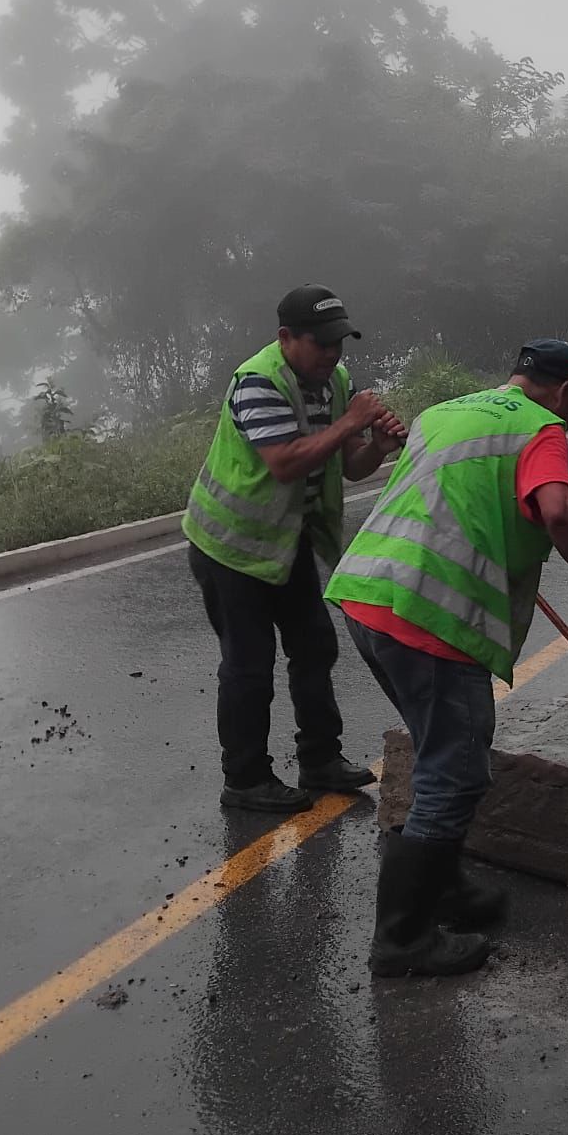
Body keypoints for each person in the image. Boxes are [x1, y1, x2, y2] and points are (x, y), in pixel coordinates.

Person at [326, 338, 568, 978]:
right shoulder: (540, 428)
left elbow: (450, 497)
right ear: (566, 390)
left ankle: (446, 888)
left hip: (367, 596)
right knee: (455, 769)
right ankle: (403, 940)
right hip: (429, 616)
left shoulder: (446, 412)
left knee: (438, 748)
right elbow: (560, 511)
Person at [184, 285, 408, 813]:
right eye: (321, 342)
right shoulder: (257, 382)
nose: (332, 354)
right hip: (229, 548)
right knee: (248, 664)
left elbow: (348, 466)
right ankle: (244, 780)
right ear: (286, 338)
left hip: (286, 543)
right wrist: (353, 421)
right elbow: (284, 461)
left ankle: (319, 760)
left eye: (339, 343)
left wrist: (375, 442)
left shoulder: (335, 382)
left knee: (314, 647)